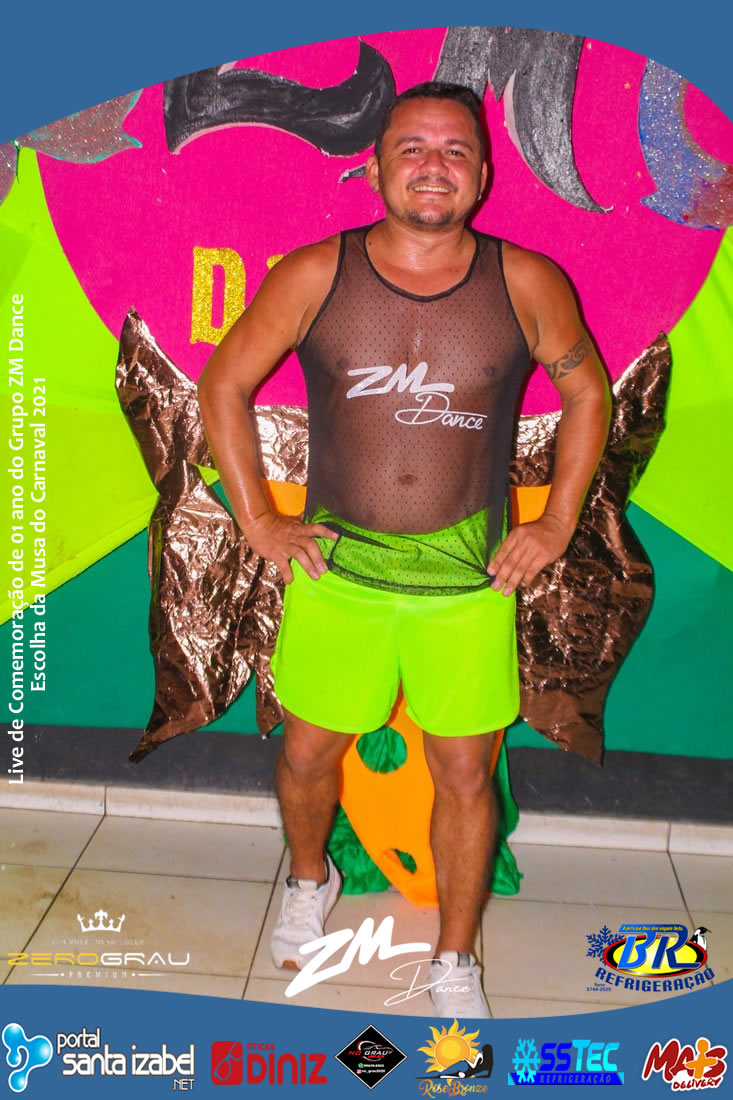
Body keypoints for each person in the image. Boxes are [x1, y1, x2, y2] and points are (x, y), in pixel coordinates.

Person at [197, 81, 611, 1018]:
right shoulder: (315, 272)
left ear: (483, 175)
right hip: (337, 574)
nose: (433, 166)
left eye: (455, 151)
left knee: (464, 772)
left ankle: (454, 958)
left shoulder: (526, 281)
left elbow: (589, 393)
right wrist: (258, 519)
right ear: (375, 165)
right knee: (308, 753)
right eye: (411, 148)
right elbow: (223, 384)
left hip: (467, 584)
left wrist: (554, 524)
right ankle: (308, 880)